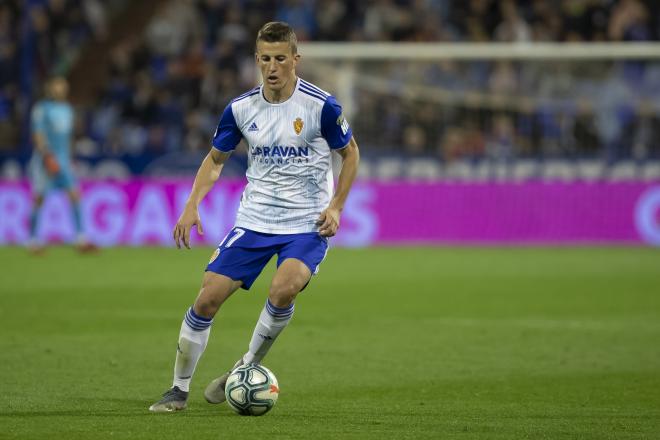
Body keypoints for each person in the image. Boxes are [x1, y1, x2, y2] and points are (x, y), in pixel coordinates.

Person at [149, 21, 360, 412]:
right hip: (254, 220)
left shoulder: (321, 106)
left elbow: (350, 154)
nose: (272, 66)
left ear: (295, 59)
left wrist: (336, 206)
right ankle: (178, 390)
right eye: (265, 59)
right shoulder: (241, 109)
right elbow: (215, 161)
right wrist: (192, 203)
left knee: (284, 288)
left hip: (306, 223)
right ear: (257, 60)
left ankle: (246, 366)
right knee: (207, 298)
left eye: (280, 58)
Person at [27, 76, 96, 254]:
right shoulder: (42, 109)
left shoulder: (67, 109)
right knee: (39, 199)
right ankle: (33, 241)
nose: (61, 88)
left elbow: (68, 138)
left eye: (63, 85)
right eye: (57, 85)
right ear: (50, 88)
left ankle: (81, 239)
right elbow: (38, 134)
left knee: (75, 195)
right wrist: (47, 157)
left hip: (64, 161)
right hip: (46, 162)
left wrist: (70, 157)